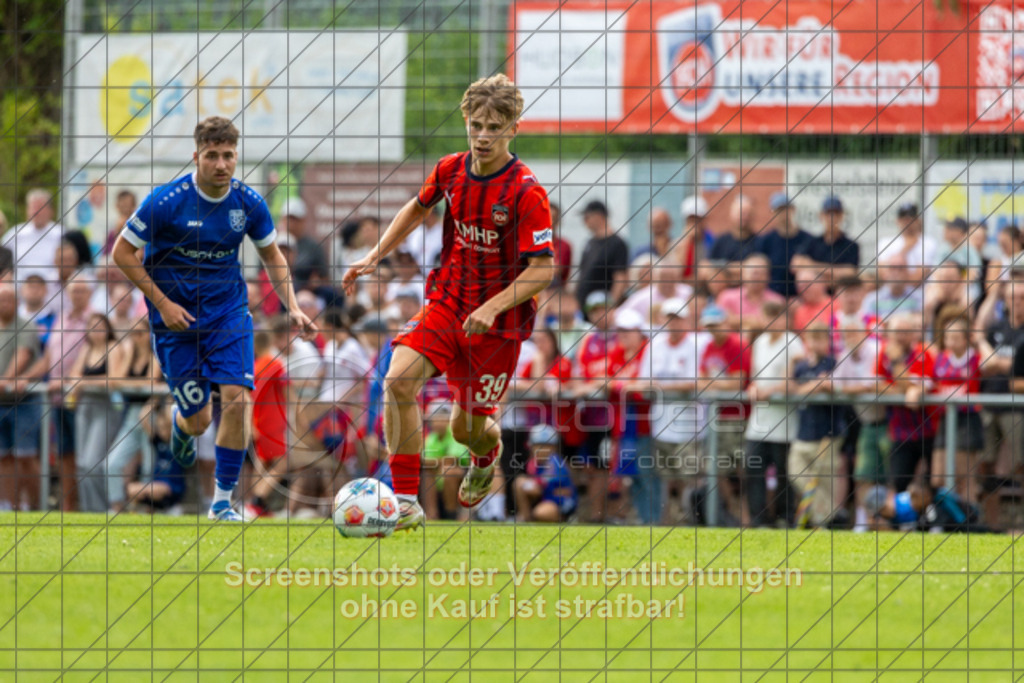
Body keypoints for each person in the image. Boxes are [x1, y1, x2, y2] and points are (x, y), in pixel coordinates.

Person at [341, 74, 555, 530]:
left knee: (465, 431)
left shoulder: (525, 192)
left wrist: (493, 306)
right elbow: (417, 208)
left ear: (513, 129)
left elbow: (543, 269)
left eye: (494, 126)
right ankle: (404, 502)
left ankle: (487, 457)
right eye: (476, 124)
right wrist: (375, 254)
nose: (482, 135)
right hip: (448, 300)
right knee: (397, 381)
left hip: (498, 324)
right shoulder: (450, 169)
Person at [112, 116, 315, 521]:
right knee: (199, 420)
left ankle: (222, 503)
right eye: (212, 156)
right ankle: (180, 421)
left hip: (228, 313)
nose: (221, 164)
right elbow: (122, 253)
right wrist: (163, 304)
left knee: (239, 400)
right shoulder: (166, 202)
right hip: (176, 323)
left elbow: (272, 255)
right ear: (197, 156)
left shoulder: (248, 203)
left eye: (228, 156)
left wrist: (291, 305)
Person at [650, 297, 709, 524]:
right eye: (669, 318)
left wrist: (662, 386)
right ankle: (668, 520)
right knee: (667, 479)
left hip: (689, 426)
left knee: (691, 477)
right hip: (662, 424)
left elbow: (696, 382)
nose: (673, 323)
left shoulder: (696, 344)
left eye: (677, 319)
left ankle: (692, 520)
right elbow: (645, 380)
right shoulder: (656, 345)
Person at [745, 300, 802, 528]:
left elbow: (793, 382)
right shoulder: (759, 342)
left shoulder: (793, 343)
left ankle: (784, 517)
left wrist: (770, 390)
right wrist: (753, 388)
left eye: (776, 316)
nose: (772, 322)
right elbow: (754, 376)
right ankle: (758, 519)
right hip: (759, 421)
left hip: (784, 421)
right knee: (754, 469)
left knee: (783, 474)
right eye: (767, 316)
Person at [67, 313, 127, 512]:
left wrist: (84, 382)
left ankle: (101, 509)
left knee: (93, 462)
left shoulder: (113, 348)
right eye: (92, 328)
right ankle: (88, 510)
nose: (96, 332)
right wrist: (81, 382)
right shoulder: (87, 349)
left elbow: (115, 379)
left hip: (106, 407)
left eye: (100, 327)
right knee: (82, 463)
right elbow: (73, 374)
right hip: (85, 406)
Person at [790, 323, 846, 528]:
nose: (815, 344)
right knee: (795, 471)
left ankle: (822, 523)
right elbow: (794, 391)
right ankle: (833, 515)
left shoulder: (833, 363)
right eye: (812, 339)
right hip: (804, 431)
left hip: (827, 432)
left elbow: (831, 386)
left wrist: (812, 386)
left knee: (825, 480)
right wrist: (815, 385)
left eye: (820, 339)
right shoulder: (801, 366)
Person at [0, 283, 42, 510]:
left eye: (9, 299)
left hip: (23, 402)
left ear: (16, 302)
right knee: (3, 458)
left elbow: (22, 355)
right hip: (0, 403)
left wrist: (5, 380)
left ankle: (35, 506)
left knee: (26, 456)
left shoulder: (25, 326)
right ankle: (9, 505)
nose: (5, 304)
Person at [2, 188, 64, 291]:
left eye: (40, 208)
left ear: (50, 211)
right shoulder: (14, 234)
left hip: (53, 292)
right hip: (18, 294)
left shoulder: (61, 234)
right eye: (33, 207)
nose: (36, 212)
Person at [514, 423, 577, 522]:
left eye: (546, 446)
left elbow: (543, 485)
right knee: (519, 481)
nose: (541, 450)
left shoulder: (555, 462)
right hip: (546, 497)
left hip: (561, 502)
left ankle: (566, 519)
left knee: (541, 513)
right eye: (538, 446)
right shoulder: (534, 463)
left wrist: (530, 485)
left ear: (554, 447)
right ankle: (524, 517)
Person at [754, 193, 813, 298]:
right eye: (779, 211)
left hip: (800, 298)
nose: (783, 214)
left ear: (793, 210)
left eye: (786, 209)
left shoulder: (807, 239)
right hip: (772, 297)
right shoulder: (765, 241)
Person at [793, 195, 859, 287]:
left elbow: (850, 273)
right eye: (828, 213)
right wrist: (834, 272)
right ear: (821, 216)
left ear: (842, 216)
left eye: (836, 213)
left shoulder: (851, 245)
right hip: (816, 295)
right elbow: (796, 265)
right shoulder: (812, 242)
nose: (832, 218)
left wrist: (812, 266)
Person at [575, 199, 629, 310]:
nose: (585, 222)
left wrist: (610, 307)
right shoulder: (589, 243)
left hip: (600, 309)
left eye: (587, 217)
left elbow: (620, 278)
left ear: (599, 216)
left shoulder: (617, 243)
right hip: (583, 308)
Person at [278, 197, 327, 290]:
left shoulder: (313, 247)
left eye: (295, 219)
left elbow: (324, 277)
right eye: (288, 218)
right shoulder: (272, 243)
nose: (291, 223)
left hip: (305, 295)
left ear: (303, 221)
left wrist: (316, 284)